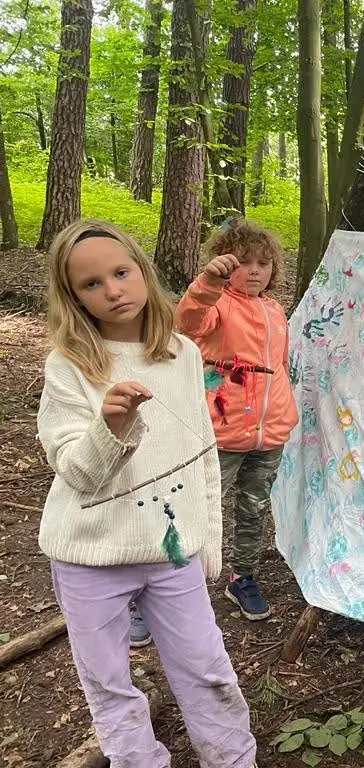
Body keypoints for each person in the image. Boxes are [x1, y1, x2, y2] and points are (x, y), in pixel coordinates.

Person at [36, 219, 256, 767]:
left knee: (208, 671)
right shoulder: (69, 365)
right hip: (89, 556)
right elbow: (76, 472)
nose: (112, 290)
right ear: (74, 297)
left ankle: (233, 759)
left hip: (172, 553)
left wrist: (207, 542)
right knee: (109, 684)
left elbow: (203, 454)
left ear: (142, 270)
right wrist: (111, 426)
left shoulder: (182, 353)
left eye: (121, 272)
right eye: (91, 283)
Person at [174, 217, 297, 621]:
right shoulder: (218, 304)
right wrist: (208, 283)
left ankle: (241, 577)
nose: (255, 271)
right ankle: (173, 581)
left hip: (269, 432)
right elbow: (188, 322)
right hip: (222, 430)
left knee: (253, 507)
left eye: (264, 262)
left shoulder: (275, 310)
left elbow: (279, 365)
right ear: (227, 264)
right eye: (245, 262)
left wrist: (284, 410)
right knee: (200, 505)